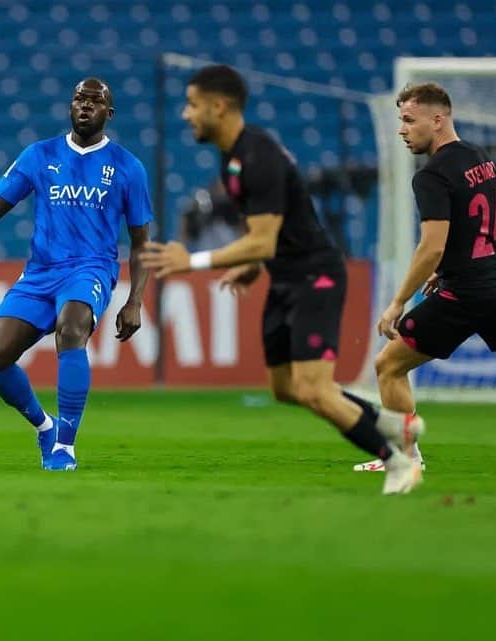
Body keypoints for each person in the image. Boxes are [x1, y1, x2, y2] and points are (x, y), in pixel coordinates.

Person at [139, 64, 424, 495]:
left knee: (315, 390)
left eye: (192, 105)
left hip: (315, 277)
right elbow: (268, 233)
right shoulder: (233, 157)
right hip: (285, 277)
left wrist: (192, 261)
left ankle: (398, 461)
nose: (186, 114)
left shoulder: (257, 156)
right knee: (286, 389)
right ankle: (390, 422)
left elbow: (265, 240)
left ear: (219, 106)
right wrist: (252, 266)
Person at [355, 82, 496, 472]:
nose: (402, 130)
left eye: (409, 120)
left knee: (388, 366)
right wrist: (461, 268)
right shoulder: (484, 160)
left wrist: (397, 302)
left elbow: (432, 247)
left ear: (437, 119)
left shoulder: (431, 176)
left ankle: (405, 459)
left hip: (467, 295)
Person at [0, 78, 152, 471]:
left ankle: (65, 445)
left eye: (94, 102)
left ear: (108, 114)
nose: (85, 106)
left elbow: (140, 242)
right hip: (40, 272)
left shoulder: (127, 168)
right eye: (79, 100)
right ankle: (44, 426)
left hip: (90, 268)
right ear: (70, 107)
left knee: (71, 328)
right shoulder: (39, 155)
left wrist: (135, 300)